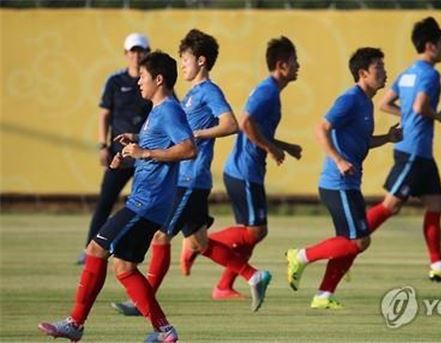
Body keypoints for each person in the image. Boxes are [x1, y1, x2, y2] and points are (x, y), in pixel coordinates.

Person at [38, 51, 197, 342]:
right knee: (124, 267)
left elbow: (189, 149)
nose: (139, 82)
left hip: (145, 204)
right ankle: (164, 331)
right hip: (146, 203)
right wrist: (132, 151)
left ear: (158, 79)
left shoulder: (169, 110)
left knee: (94, 250)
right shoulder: (157, 111)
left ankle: (76, 323)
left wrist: (144, 152)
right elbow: (155, 151)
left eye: (144, 78)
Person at [111, 29, 272, 316]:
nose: (182, 65)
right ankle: (253, 275)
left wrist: (198, 133)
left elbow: (231, 124)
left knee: (161, 236)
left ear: (201, 61)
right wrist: (139, 138)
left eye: (185, 59)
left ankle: (142, 301)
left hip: (190, 178)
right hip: (187, 178)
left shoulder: (209, 90)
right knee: (199, 242)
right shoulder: (190, 94)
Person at [179, 36, 302, 300]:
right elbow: (244, 122)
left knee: (253, 233)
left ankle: (223, 285)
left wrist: (283, 146)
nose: (298, 66)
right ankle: (196, 244)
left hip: (248, 169)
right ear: (281, 65)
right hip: (243, 169)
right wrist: (271, 148)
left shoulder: (271, 91)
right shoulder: (268, 90)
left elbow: (256, 128)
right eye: (294, 61)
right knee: (255, 231)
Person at [286, 47, 402, 309]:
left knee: (348, 242)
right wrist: (338, 160)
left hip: (349, 183)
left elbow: (361, 141)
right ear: (363, 73)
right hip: (337, 184)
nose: (385, 73)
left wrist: (387, 138)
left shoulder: (366, 102)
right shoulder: (350, 99)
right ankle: (300, 256)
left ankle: (323, 295)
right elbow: (321, 128)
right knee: (359, 240)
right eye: (379, 69)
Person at [365, 17, 441, 282]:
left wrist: (408, 117)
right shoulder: (431, 74)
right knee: (391, 206)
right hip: (413, 150)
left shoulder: (408, 72)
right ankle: (349, 239)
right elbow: (421, 106)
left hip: (420, 152)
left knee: (435, 203)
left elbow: (385, 103)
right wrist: (438, 116)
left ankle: (438, 265)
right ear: (431, 45)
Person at [77, 33, 152, 265]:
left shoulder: (153, 81)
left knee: (147, 203)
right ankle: (90, 247)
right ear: (126, 54)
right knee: (106, 201)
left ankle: (138, 252)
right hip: (119, 154)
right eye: (133, 51)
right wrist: (103, 145)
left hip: (145, 154)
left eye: (141, 51)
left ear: (147, 53)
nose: (137, 55)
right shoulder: (115, 82)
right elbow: (104, 114)